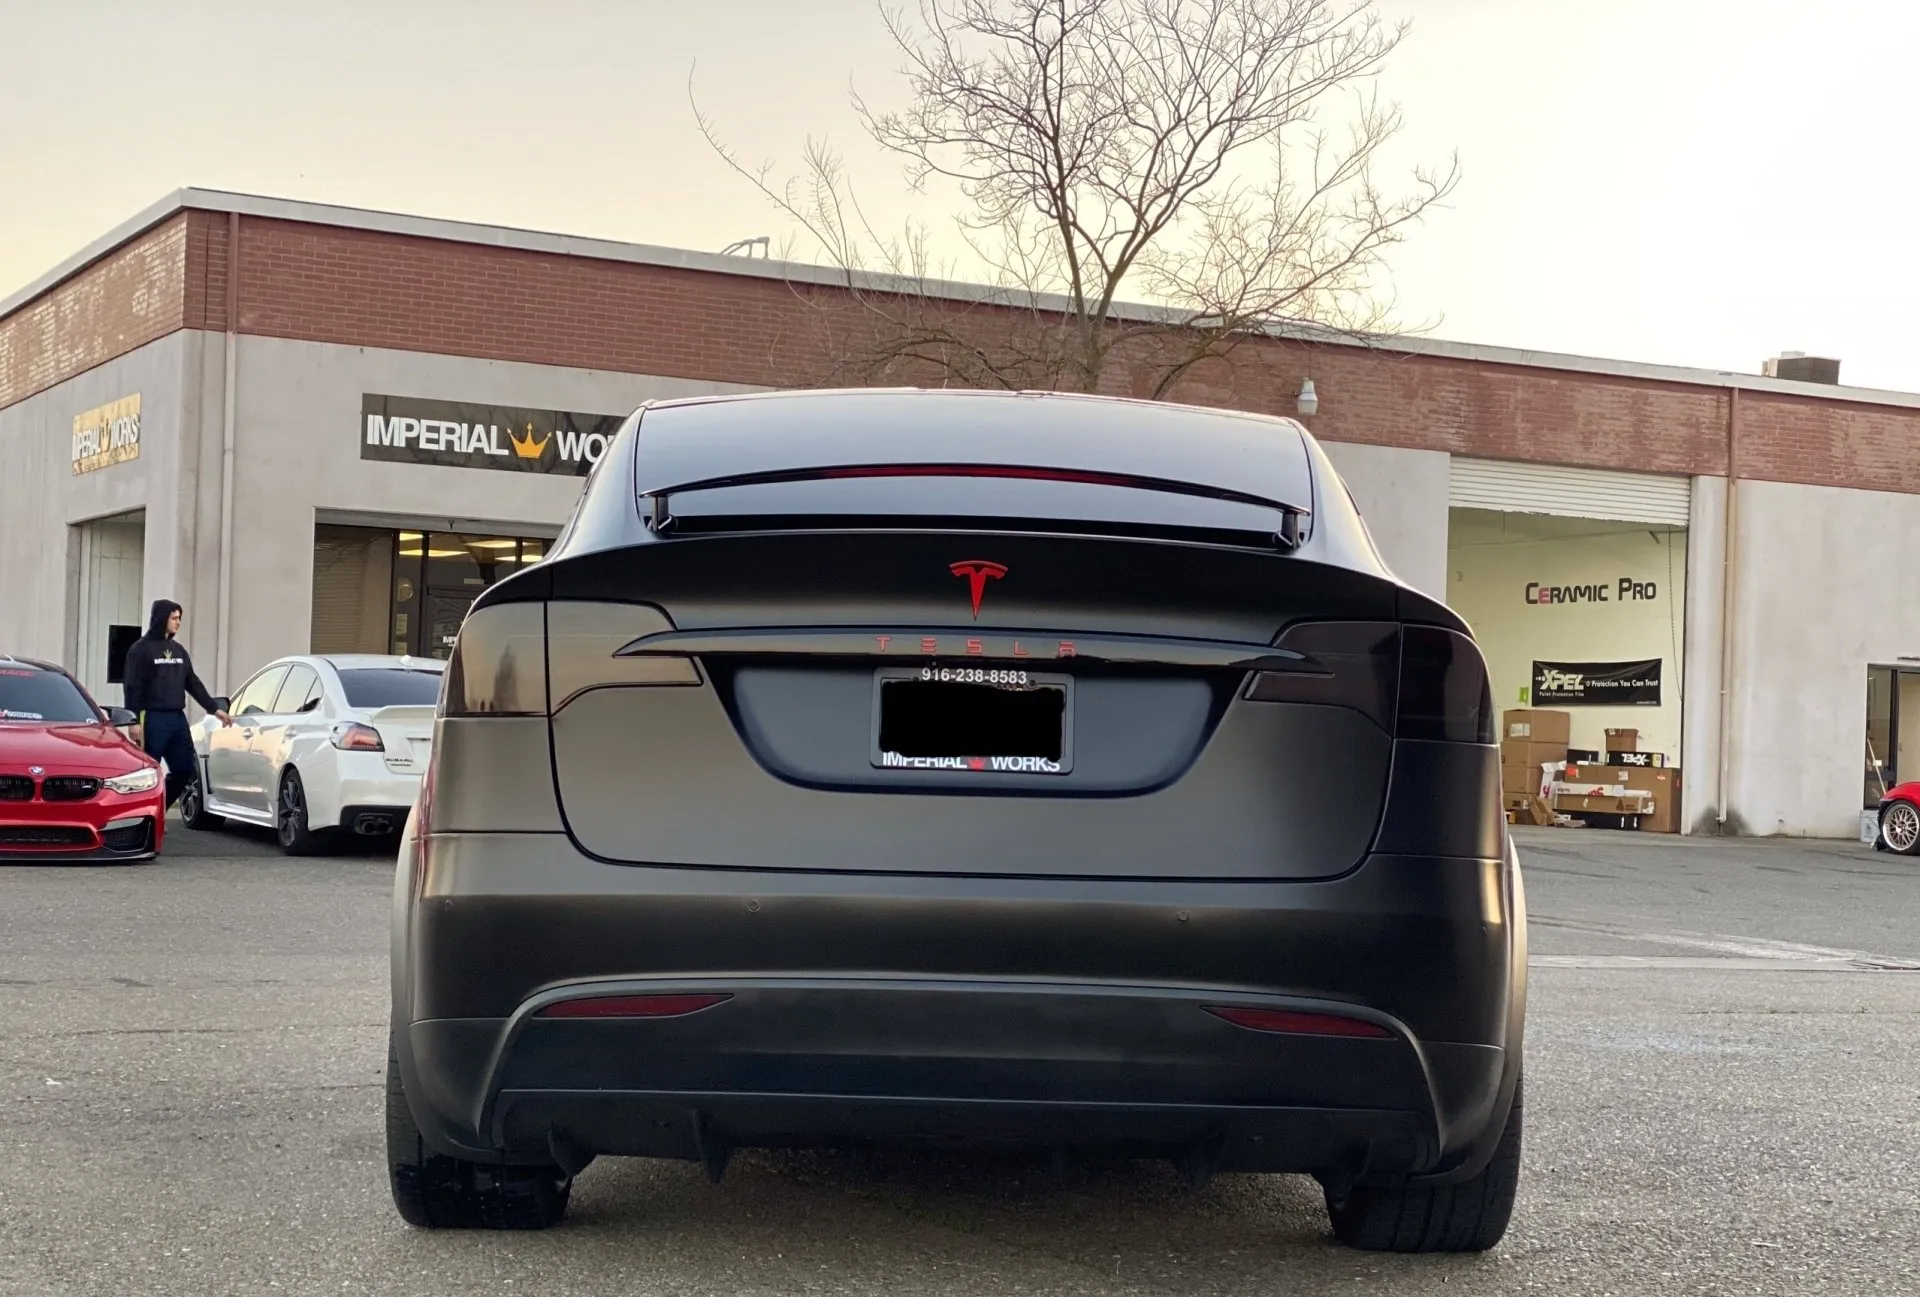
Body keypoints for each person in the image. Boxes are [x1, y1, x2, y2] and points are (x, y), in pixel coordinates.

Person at [123, 600, 232, 809]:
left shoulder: (178, 651)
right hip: (152, 718)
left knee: (185, 769)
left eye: (179, 618)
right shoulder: (140, 650)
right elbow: (132, 687)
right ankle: (139, 815)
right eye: (174, 618)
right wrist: (133, 720)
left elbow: (192, 682)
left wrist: (214, 708)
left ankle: (158, 810)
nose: (178, 622)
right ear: (162, 618)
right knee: (147, 773)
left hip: (176, 719)